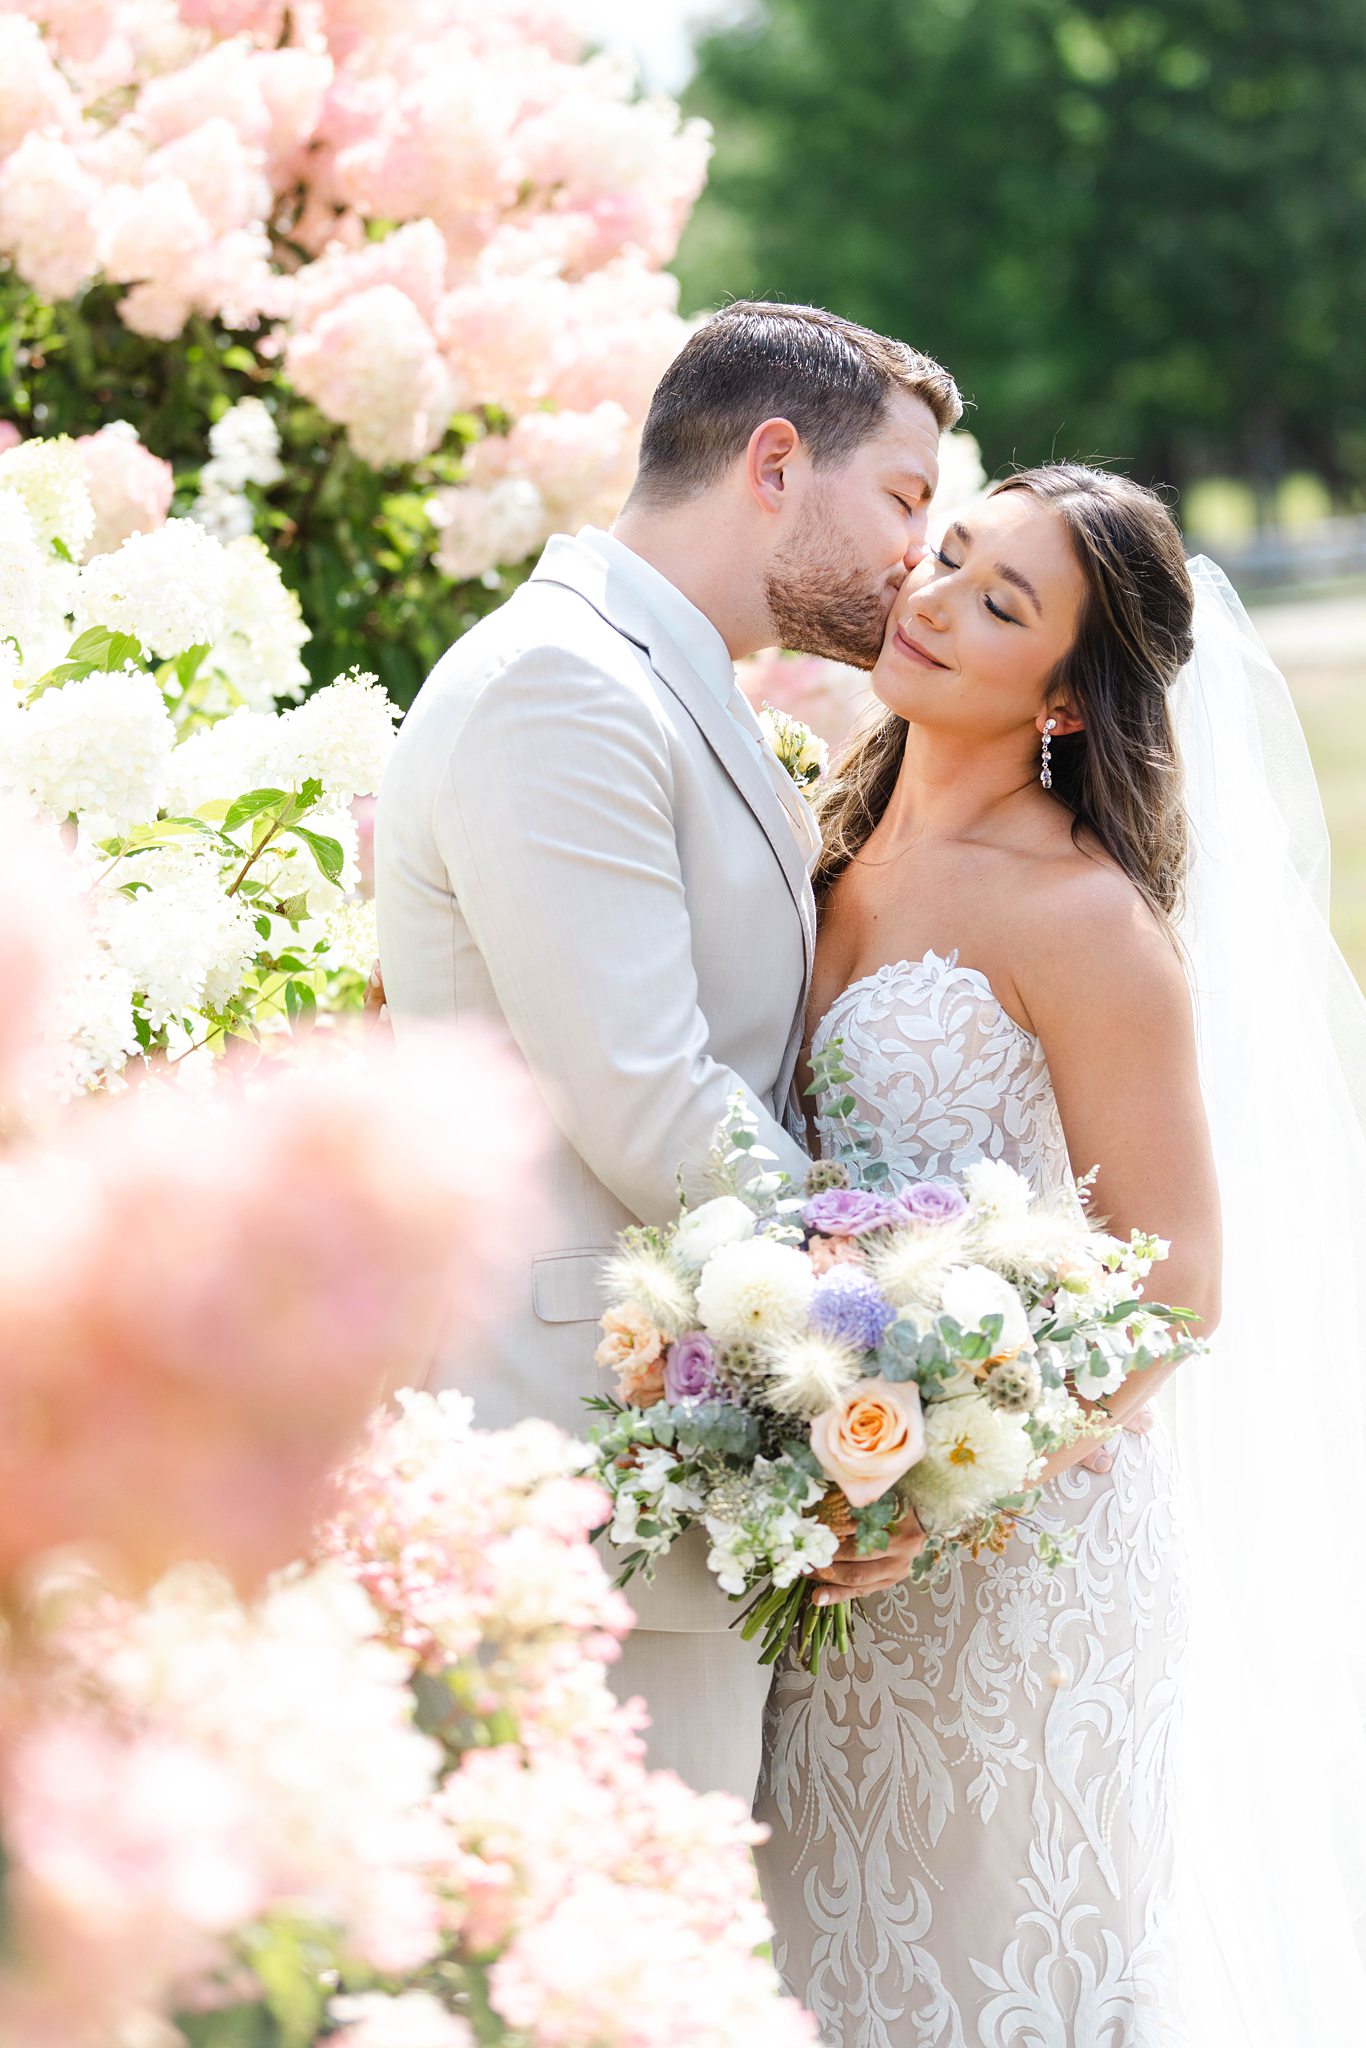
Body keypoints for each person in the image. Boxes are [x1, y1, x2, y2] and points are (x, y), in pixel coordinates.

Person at [374, 301, 961, 1806]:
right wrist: (892, 1340)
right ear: (775, 461)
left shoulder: (657, 675)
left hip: (664, 1459)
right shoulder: (561, 689)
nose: (918, 553)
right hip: (570, 1466)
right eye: (903, 497)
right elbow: (650, 1100)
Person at [754, 465, 1223, 2042]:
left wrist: (939, 1481)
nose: (934, 599)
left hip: (1006, 1568)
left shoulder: (1080, 922)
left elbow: (1176, 1289)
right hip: (799, 1528)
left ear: (1069, 706)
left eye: (998, 602)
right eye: (945, 556)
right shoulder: (802, 834)